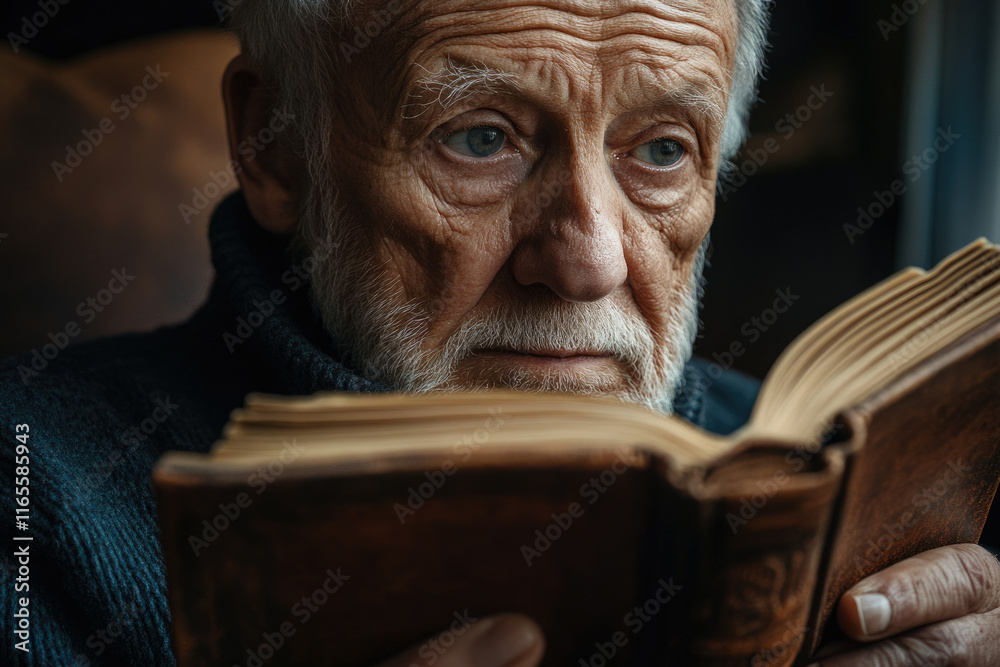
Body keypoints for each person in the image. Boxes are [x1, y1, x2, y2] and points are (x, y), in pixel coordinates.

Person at [1, 1, 998, 665]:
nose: (588, 260)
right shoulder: (29, 486)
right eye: (480, 137)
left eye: (659, 149)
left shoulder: (802, 476)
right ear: (273, 146)